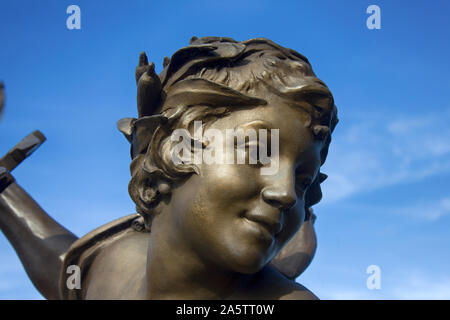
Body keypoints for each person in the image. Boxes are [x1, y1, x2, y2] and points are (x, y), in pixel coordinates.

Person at [1, 37, 338, 300]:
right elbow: (67, 272)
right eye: (258, 154)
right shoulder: (114, 258)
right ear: (173, 150)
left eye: (303, 181)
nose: (287, 193)